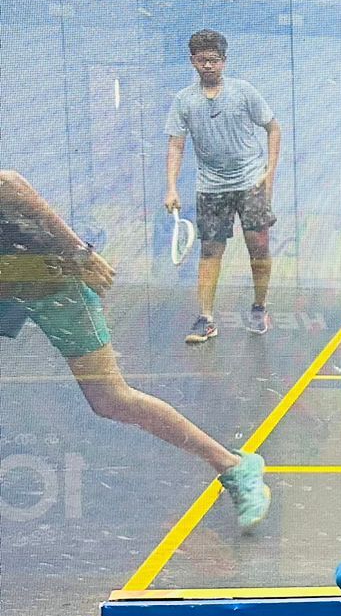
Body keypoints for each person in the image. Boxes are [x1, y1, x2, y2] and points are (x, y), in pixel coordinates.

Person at [0, 170, 270, 529]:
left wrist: (80, 254)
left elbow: (9, 184)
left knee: (111, 399)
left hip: (50, 284)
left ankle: (234, 466)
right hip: (7, 286)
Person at [164, 29, 282, 344]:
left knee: (258, 247)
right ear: (193, 61)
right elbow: (176, 145)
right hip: (211, 187)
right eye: (202, 60)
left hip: (250, 182)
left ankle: (259, 308)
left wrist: (269, 172)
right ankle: (205, 319)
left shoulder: (244, 92)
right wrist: (171, 187)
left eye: (214, 60)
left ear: (224, 61)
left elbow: (273, 128)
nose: (208, 65)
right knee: (210, 250)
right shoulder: (184, 101)